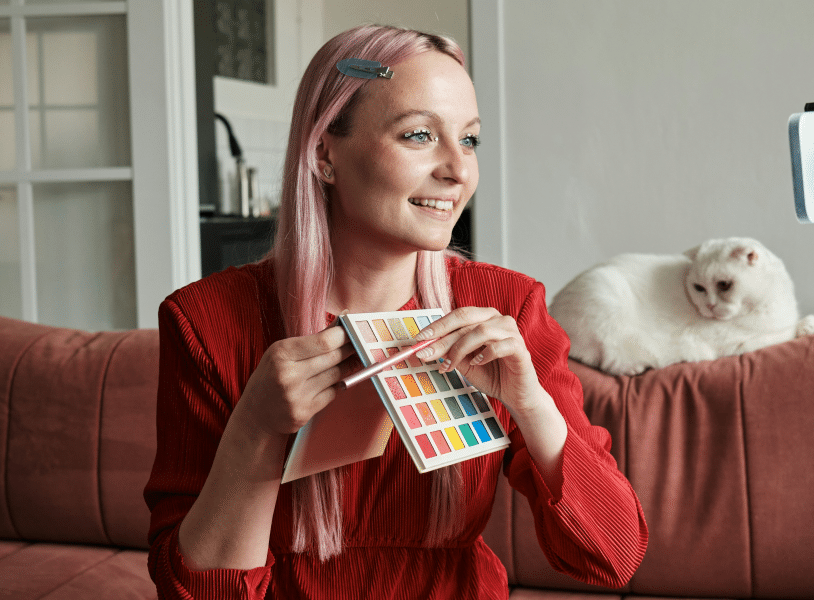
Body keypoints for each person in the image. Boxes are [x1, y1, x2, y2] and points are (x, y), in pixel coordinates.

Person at [144, 24, 649, 599]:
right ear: (323, 153)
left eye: (470, 139)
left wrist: (531, 404)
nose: (458, 171)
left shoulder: (507, 309)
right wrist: (255, 431)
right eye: (417, 135)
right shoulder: (205, 322)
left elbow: (614, 556)